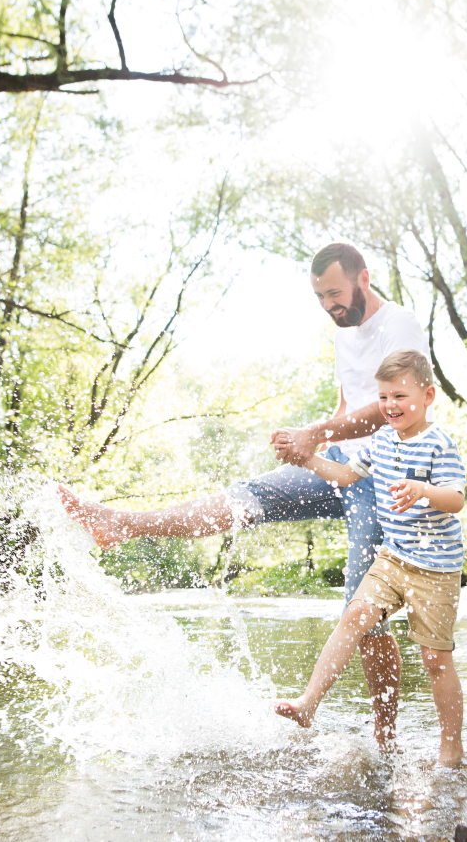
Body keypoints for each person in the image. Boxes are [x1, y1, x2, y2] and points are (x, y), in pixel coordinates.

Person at [58, 242, 430, 746]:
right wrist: (313, 440)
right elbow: (349, 402)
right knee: (248, 496)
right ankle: (122, 524)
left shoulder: (399, 324)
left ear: (364, 279)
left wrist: (314, 433)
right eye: (320, 297)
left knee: (362, 606)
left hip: (384, 478)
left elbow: (391, 409)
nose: (329, 306)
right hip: (341, 465)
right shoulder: (344, 331)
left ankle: (385, 739)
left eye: (336, 294)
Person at [275, 350, 467, 768]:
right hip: (393, 558)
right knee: (355, 615)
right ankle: (309, 703)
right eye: (383, 397)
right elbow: (347, 476)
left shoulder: (439, 443)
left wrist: (424, 492)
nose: (390, 405)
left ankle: (451, 748)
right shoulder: (380, 440)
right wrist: (307, 459)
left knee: (436, 659)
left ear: (428, 395)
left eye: (400, 395)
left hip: (436, 568)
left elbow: (456, 498)